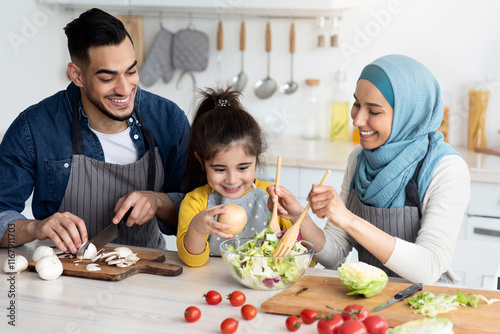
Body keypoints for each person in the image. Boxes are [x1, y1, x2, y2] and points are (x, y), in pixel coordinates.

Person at [268, 54, 470, 284]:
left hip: (426, 303)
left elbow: (429, 268)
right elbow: (334, 254)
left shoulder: (446, 169)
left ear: (409, 115)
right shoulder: (359, 159)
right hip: (369, 296)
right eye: (356, 104)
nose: (357, 120)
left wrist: (347, 218)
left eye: (373, 111)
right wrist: (298, 217)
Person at [0, 8, 189, 253]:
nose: (124, 89)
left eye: (131, 71)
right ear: (77, 75)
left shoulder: (169, 120)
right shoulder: (33, 128)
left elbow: (200, 212)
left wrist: (158, 202)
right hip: (61, 276)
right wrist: (35, 228)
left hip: (147, 274)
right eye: (108, 78)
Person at [177, 87, 292, 267]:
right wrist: (197, 230)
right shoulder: (195, 202)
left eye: (243, 167)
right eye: (220, 169)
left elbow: (302, 255)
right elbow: (192, 260)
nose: (231, 179)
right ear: (201, 160)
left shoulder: (273, 198)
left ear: (257, 155)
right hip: (213, 287)